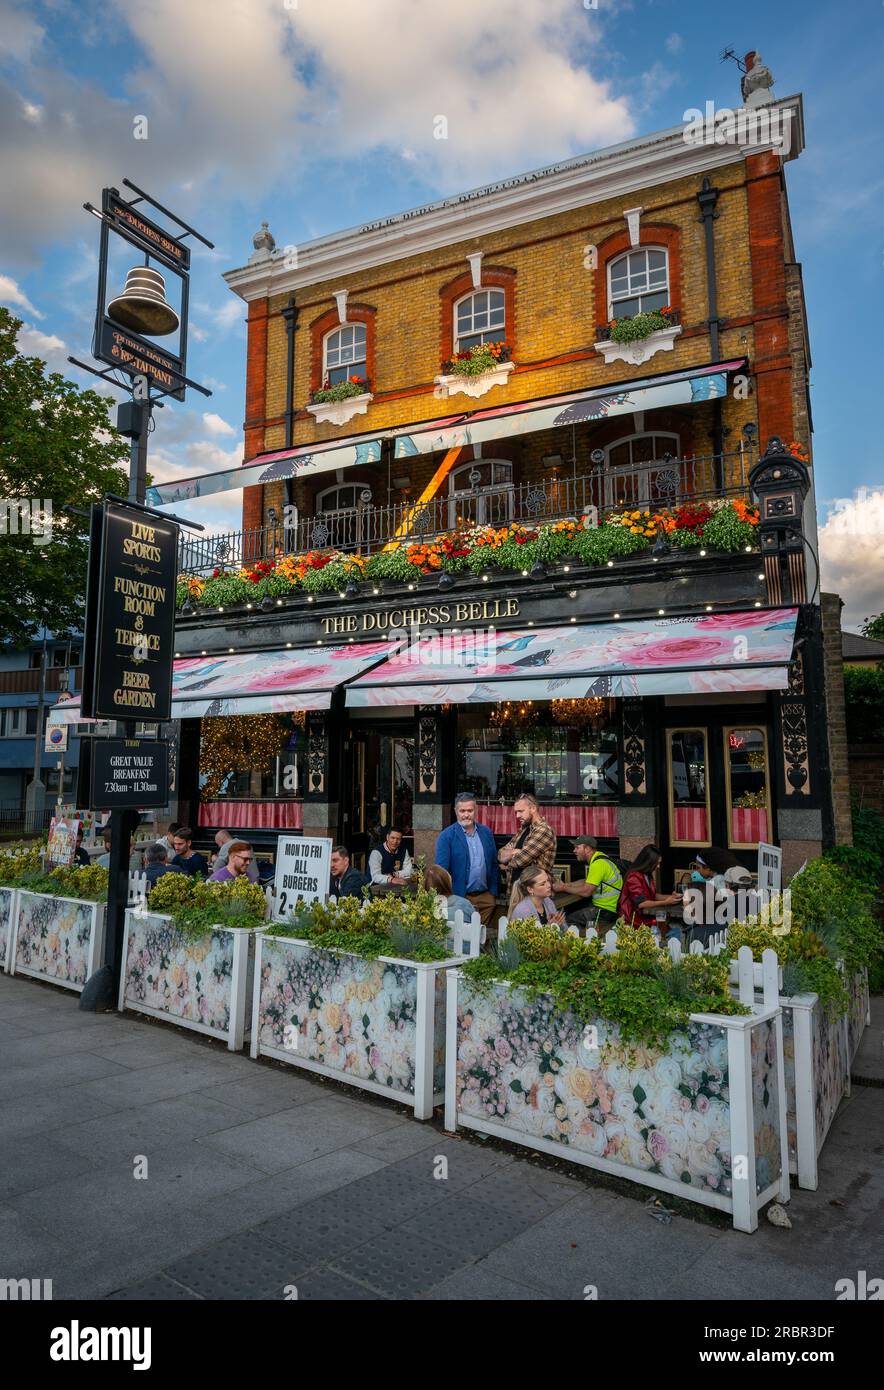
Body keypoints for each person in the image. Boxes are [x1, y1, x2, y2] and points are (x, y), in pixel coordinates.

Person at [434, 793, 499, 926]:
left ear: (476, 810)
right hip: (461, 897)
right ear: (456, 811)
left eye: (470, 810)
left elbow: (493, 864)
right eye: (462, 811)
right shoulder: (446, 836)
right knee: (463, 936)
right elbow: (441, 871)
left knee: (480, 935)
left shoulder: (486, 832)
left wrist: (493, 892)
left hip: (485, 898)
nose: (466, 814)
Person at [552, 835, 623, 932]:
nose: (574, 851)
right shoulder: (600, 858)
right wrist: (567, 885)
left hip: (603, 911)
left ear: (588, 848)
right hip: (607, 909)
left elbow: (586, 892)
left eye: (577, 847)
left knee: (567, 921)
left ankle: (578, 943)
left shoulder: (598, 864)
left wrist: (563, 888)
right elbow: (586, 881)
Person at [497, 795, 557, 908]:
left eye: (521, 811)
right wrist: (516, 852)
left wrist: (511, 854)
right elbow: (500, 854)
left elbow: (520, 861)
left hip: (535, 897)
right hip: (517, 893)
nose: (517, 816)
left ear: (533, 808)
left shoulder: (543, 830)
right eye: (516, 812)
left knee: (534, 925)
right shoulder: (524, 829)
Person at [618, 845, 682, 930]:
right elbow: (641, 903)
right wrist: (666, 902)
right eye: (657, 863)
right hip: (634, 921)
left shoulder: (647, 874)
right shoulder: (634, 877)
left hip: (645, 918)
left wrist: (671, 897)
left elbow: (652, 895)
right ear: (648, 862)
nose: (658, 866)